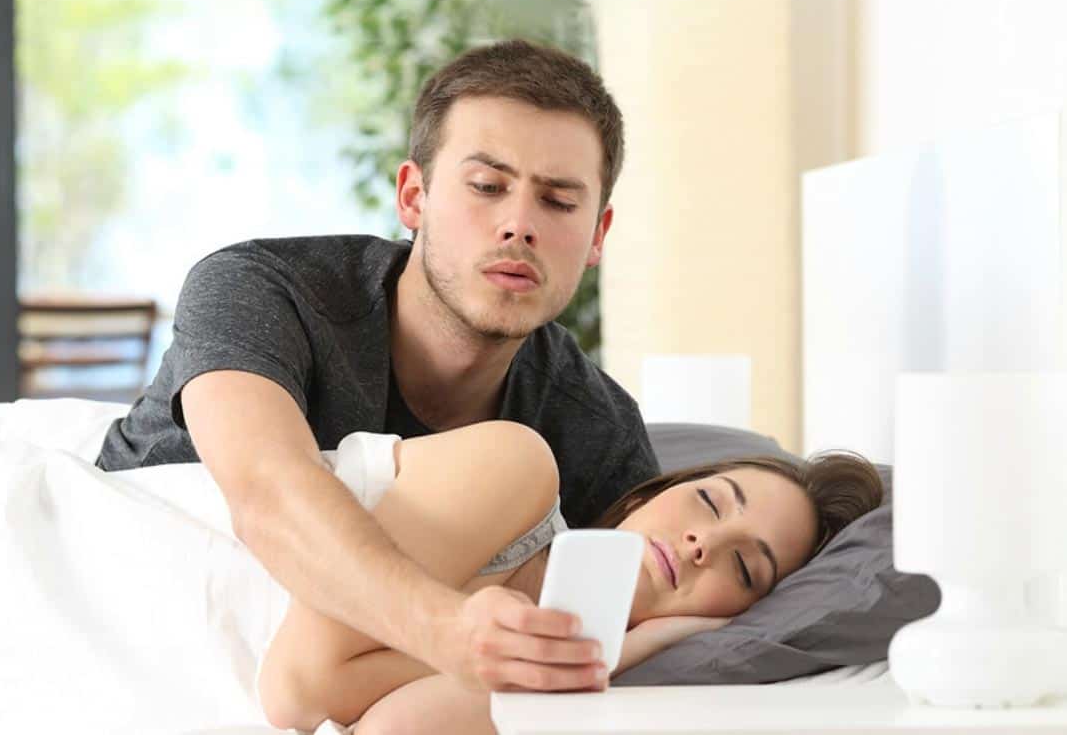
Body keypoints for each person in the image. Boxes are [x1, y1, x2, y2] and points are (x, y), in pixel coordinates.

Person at [96, 39, 661, 693]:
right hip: (113, 609)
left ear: (597, 235)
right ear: (414, 197)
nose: (518, 225)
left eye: (559, 202)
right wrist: (448, 632)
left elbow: (655, 598)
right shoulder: (261, 288)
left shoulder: (598, 428)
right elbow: (266, 490)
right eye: (486, 187)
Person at [253, 421, 885, 734]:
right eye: (710, 502)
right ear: (646, 495)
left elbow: (389, 730)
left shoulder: (576, 690)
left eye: (744, 568)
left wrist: (619, 650)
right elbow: (296, 692)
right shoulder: (515, 468)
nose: (704, 544)